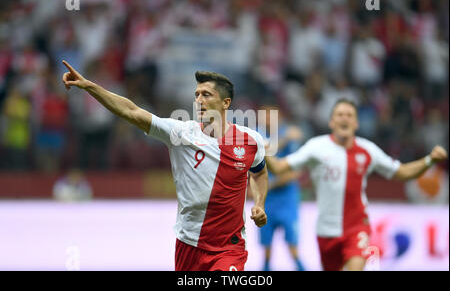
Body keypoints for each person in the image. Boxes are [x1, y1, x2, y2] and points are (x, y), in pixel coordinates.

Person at [61, 60, 268, 271]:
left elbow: (259, 173)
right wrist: (90, 87)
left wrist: (259, 203)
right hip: (189, 244)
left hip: (229, 248)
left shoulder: (251, 141)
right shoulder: (180, 134)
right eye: (196, 95)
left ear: (225, 103)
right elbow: (132, 111)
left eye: (206, 95)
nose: (199, 100)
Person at [265, 98, 448, 271]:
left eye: (349, 115)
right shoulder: (316, 147)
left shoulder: (368, 150)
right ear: (331, 122)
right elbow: (280, 167)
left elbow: (402, 172)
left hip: (356, 227)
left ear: (356, 123)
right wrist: (262, 152)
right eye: (340, 114)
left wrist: (429, 160)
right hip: (326, 231)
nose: (345, 118)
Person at [258, 105, 306, 271]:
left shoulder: (289, 134)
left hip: (287, 200)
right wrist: (285, 138)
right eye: (264, 115)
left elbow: (295, 171)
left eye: (271, 114)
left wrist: (269, 184)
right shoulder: (257, 134)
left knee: (292, 246)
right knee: (266, 247)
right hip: (266, 201)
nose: (267, 118)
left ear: (279, 116)